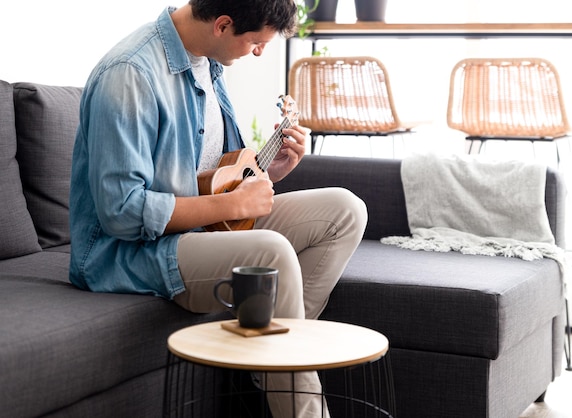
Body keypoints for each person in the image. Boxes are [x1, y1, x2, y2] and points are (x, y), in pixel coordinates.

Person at [68, 1, 367, 417]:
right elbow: (122, 212)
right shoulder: (130, 75)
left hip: (205, 227)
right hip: (132, 251)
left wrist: (269, 173)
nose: (259, 53)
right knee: (270, 254)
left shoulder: (208, 62)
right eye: (256, 43)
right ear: (223, 25)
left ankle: (270, 360)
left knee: (345, 210)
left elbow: (217, 176)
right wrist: (229, 203)